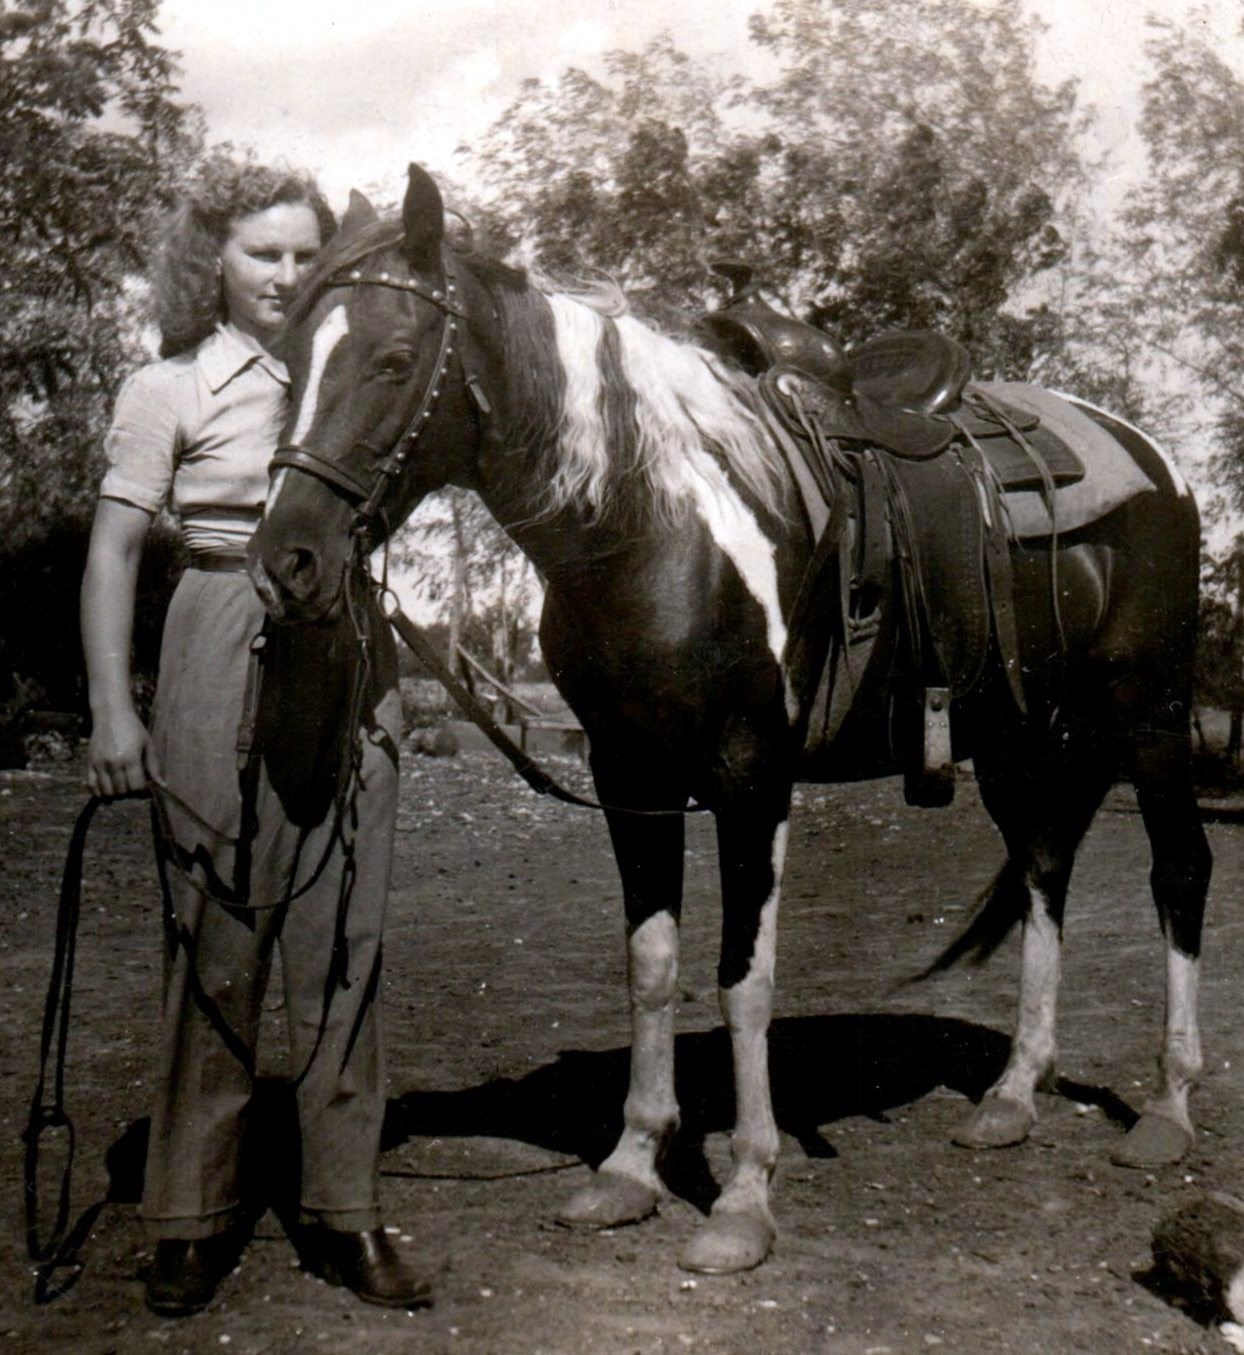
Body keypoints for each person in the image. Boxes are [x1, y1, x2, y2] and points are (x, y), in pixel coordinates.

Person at [80, 158, 429, 1317]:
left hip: (342, 648)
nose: (283, 273)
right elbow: (117, 553)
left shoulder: (341, 371)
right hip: (217, 629)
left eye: (300, 253)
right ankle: (189, 1212)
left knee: (346, 938)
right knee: (214, 927)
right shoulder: (167, 387)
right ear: (210, 263)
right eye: (259, 252)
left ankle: (344, 1208)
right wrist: (115, 709)